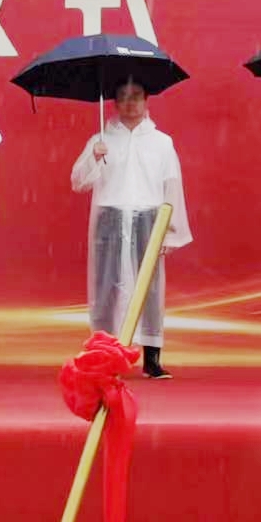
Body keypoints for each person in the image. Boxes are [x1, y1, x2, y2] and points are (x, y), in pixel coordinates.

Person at [69, 80, 191, 379]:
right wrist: (94, 157)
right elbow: (79, 182)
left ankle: (151, 357)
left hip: (149, 218)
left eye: (136, 96)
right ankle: (105, 353)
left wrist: (170, 231)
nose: (130, 103)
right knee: (106, 287)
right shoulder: (101, 139)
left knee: (149, 287)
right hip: (110, 218)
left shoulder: (162, 142)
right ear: (113, 102)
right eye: (123, 97)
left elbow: (172, 187)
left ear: (147, 100)